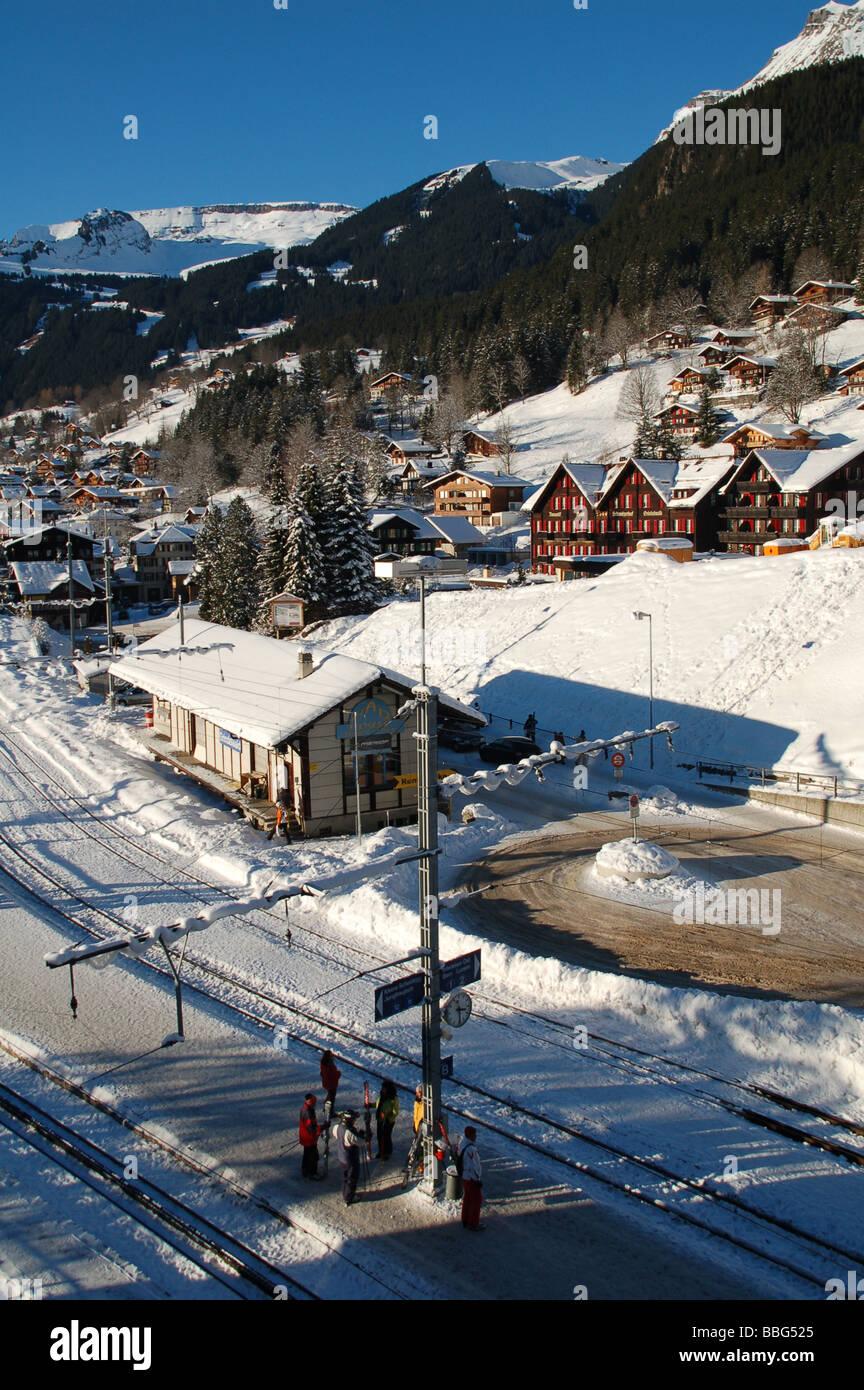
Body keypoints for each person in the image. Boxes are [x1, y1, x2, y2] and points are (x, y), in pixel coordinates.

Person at [457, 1125, 484, 1230]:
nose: (476, 1136)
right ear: (471, 1136)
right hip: (471, 1179)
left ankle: (465, 1219)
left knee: (467, 1198)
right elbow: (473, 1167)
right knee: (476, 1201)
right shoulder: (471, 1149)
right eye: (474, 1134)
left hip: (464, 1176)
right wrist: (477, 1180)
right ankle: (473, 1223)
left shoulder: (462, 1144)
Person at [333, 1109, 363, 1205]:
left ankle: (345, 1193)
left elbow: (337, 1136)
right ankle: (349, 1197)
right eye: (354, 1119)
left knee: (345, 1177)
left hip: (341, 1156)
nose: (355, 1121)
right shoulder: (348, 1132)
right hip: (350, 1159)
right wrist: (363, 1136)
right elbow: (360, 1142)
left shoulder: (337, 1127)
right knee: (352, 1177)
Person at [299, 1093, 322, 1180]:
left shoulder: (305, 1109)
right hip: (309, 1138)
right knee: (313, 1156)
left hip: (305, 1137)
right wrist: (322, 1128)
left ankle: (305, 1170)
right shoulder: (308, 1112)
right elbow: (312, 1129)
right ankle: (312, 1173)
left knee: (307, 1154)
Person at [375, 1080, 399, 1160]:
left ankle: (387, 1152)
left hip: (388, 1121)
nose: (382, 1089)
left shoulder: (393, 1098)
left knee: (386, 1136)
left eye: (384, 1088)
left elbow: (395, 1112)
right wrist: (371, 1105)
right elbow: (378, 1104)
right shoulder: (381, 1096)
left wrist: (389, 1119)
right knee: (379, 1136)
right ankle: (381, 1151)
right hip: (380, 1119)